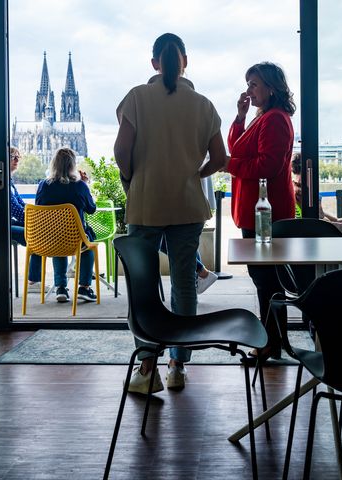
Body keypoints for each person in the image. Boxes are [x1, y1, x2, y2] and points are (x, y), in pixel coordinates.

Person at [114, 32, 226, 393]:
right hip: (187, 204)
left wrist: (132, 179)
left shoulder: (136, 98)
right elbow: (221, 159)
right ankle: (178, 364)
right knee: (184, 286)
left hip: (145, 204)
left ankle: (147, 368)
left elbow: (121, 151)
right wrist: (195, 173)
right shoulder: (203, 104)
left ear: (154, 63)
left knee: (143, 286)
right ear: (185, 62)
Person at [225, 62, 296, 360]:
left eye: (253, 84)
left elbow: (268, 166)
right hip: (255, 211)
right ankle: (273, 340)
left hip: (266, 213)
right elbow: (238, 148)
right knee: (264, 277)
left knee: (266, 278)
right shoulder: (261, 118)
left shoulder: (275, 120)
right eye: (248, 84)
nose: (248, 90)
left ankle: (272, 342)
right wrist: (240, 117)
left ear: (271, 87)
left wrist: (227, 164)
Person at [0, 146, 44, 292]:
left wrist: (39, 217)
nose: (17, 160)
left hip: (1, 225)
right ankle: (34, 282)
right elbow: (17, 211)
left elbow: (22, 205)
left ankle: (34, 280)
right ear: (3, 159)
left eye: (18, 157)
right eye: (13, 157)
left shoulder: (8, 181)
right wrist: (40, 220)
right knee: (38, 236)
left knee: (39, 231)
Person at [35, 147, 98, 303]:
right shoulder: (79, 186)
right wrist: (84, 184)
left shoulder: (44, 185)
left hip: (49, 239)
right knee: (88, 245)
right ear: (73, 165)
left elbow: (38, 207)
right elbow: (91, 209)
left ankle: (61, 287)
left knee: (59, 242)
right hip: (76, 240)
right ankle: (84, 287)